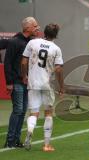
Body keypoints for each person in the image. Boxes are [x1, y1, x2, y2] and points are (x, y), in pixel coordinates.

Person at [21, 23, 64, 152]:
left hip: (33, 83)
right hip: (47, 84)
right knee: (48, 113)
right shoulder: (56, 48)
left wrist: (24, 76)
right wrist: (61, 86)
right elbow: (58, 69)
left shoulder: (33, 43)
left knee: (33, 112)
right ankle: (46, 145)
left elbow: (23, 61)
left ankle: (29, 131)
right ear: (56, 35)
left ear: (44, 32)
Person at [4, 17, 40, 148]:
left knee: (22, 111)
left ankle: (16, 140)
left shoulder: (30, 42)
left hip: (26, 82)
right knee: (18, 110)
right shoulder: (15, 42)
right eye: (35, 26)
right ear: (28, 28)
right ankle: (10, 140)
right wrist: (9, 82)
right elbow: (7, 63)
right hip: (17, 82)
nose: (38, 28)